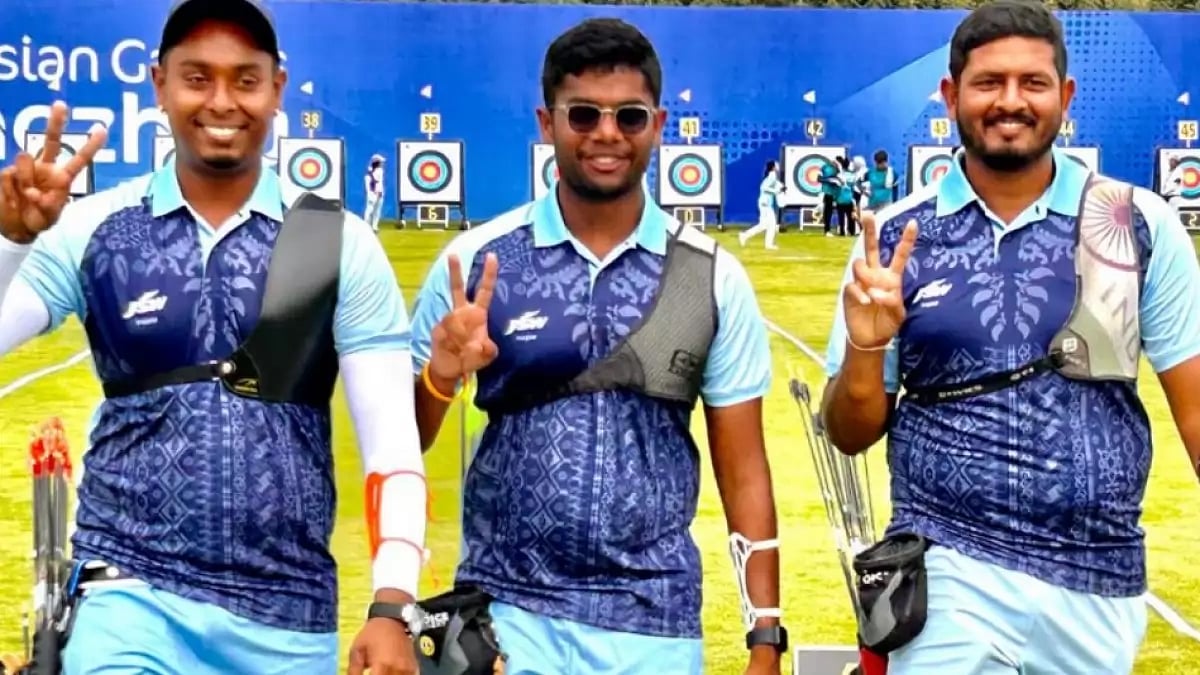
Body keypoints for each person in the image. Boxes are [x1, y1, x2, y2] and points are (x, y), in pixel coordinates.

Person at [0, 1, 427, 673]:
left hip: (287, 614)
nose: (222, 102)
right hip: (128, 592)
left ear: (277, 89)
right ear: (159, 84)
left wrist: (392, 604)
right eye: (197, 78)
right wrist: (11, 241)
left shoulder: (342, 244)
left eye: (245, 80)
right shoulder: (92, 228)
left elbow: (392, 449)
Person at [821, 2, 1200, 674]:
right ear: (950, 96)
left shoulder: (1136, 224)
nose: (1011, 101)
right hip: (947, 562)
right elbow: (848, 433)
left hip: (1097, 575)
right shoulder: (899, 238)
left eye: (1033, 83)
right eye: (989, 82)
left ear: (1066, 96)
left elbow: (1195, 411)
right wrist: (867, 347)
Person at [409, 17, 786, 675]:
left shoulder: (710, 276)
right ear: (546, 122)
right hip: (505, 617)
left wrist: (765, 637)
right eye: (583, 114)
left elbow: (744, 469)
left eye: (629, 116)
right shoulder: (476, 262)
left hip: (655, 623)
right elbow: (401, 442)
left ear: (658, 125)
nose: (607, 134)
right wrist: (440, 377)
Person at [739, 159, 785, 249]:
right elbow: (764, 188)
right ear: (773, 167)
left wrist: (781, 188)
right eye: (776, 165)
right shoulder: (772, 176)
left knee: (764, 225)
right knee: (771, 224)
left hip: (765, 203)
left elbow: (775, 185)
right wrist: (777, 191)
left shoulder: (772, 176)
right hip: (765, 203)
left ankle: (745, 235)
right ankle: (768, 244)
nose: (778, 166)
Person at [364, 153, 386, 232]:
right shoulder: (369, 173)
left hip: (379, 193)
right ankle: (366, 226)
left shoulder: (380, 171)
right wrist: (370, 193)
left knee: (377, 210)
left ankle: (374, 226)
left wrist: (380, 192)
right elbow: (368, 184)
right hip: (372, 193)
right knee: (370, 210)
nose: (382, 164)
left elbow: (380, 183)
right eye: (380, 162)